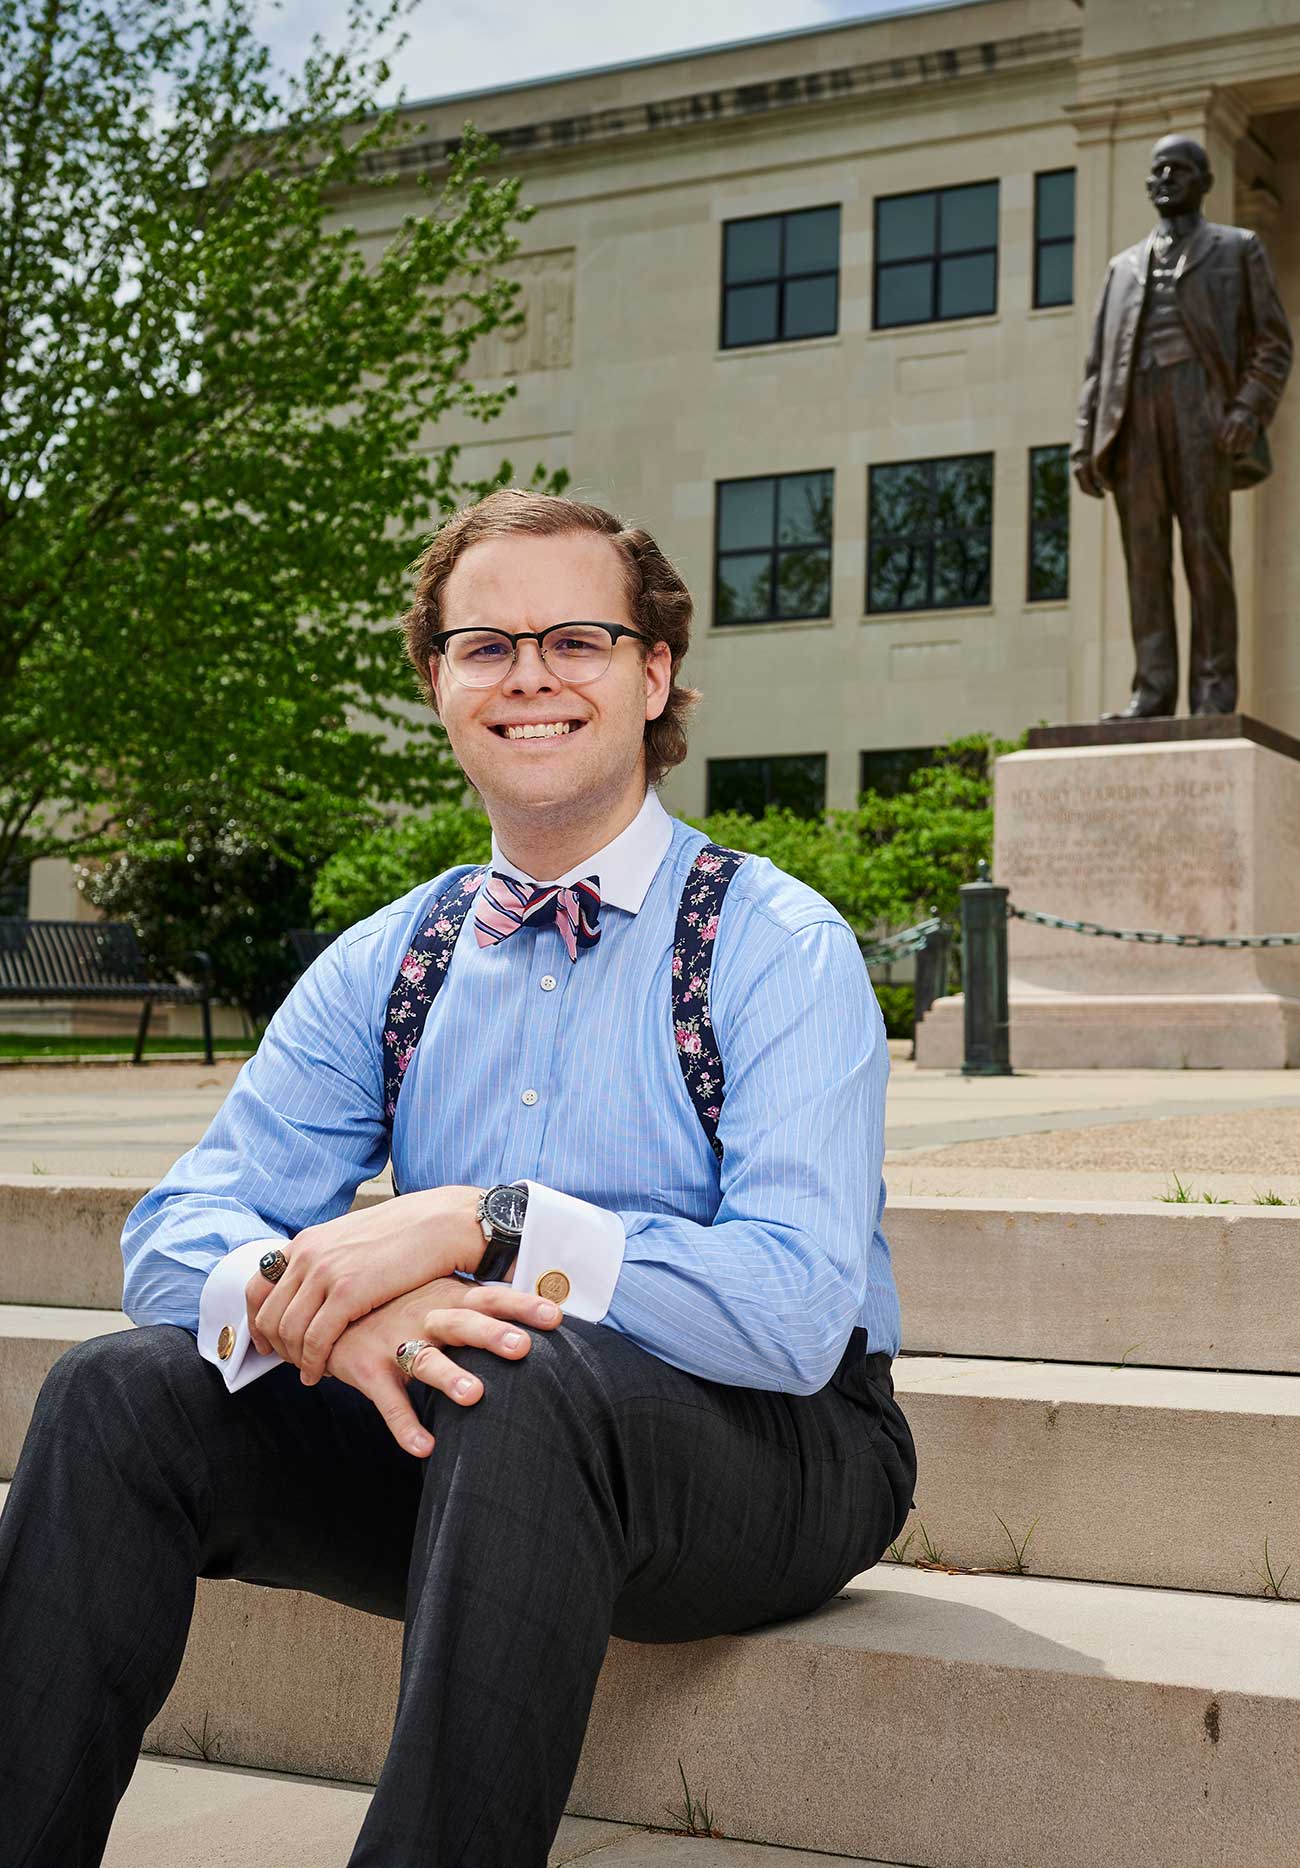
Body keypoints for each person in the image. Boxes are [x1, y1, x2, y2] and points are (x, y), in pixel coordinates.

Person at [0, 490, 915, 1868]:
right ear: (437, 683)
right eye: (486, 645)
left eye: (579, 639)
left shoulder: (773, 942)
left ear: (654, 672)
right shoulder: (393, 958)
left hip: (779, 1446)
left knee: (527, 1366)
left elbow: (791, 1314)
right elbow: (175, 1230)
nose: (530, 675)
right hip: (476, 1428)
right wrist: (334, 1307)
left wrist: (488, 1223)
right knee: (114, 1393)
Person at [1072, 134, 1292, 718]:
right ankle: (1151, 691)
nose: (1164, 179)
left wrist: (1247, 408)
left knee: (1204, 554)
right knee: (1144, 560)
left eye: (1178, 169)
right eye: (1157, 171)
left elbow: (1273, 345)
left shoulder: (1238, 248)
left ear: (1204, 182)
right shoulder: (1120, 268)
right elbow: (1098, 363)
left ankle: (1214, 694)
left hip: (1202, 407)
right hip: (1134, 416)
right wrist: (1084, 442)